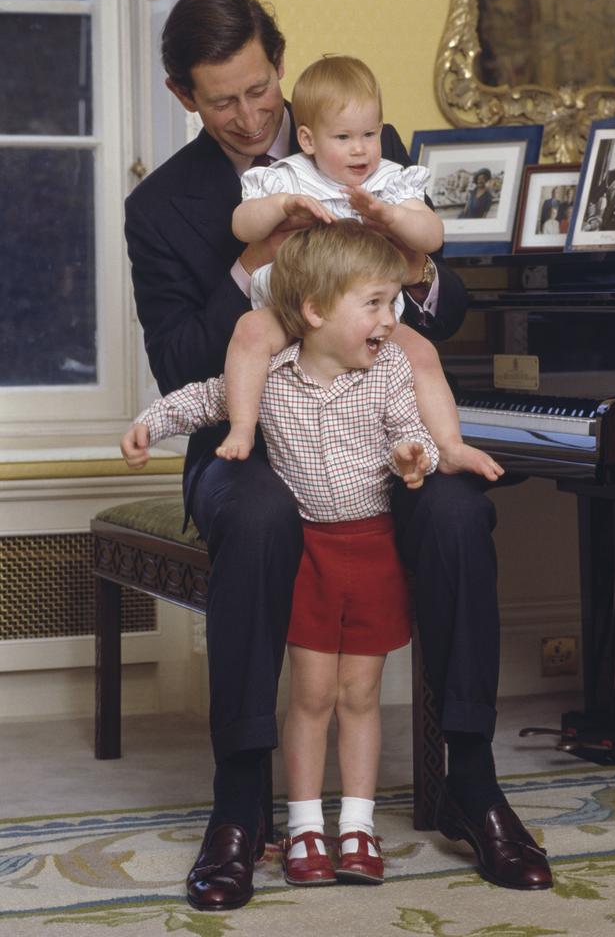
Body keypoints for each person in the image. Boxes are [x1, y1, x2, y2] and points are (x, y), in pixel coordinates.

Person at [124, 0, 552, 911]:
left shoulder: (363, 148)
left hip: (376, 425)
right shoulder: (163, 208)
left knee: (453, 510)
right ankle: (242, 803)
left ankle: (472, 784)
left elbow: (450, 304)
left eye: (260, 89)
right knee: (264, 518)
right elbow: (178, 371)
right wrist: (255, 259)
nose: (248, 116)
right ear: (182, 96)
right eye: (221, 99)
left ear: (279, 68)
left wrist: (414, 257)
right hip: (255, 446)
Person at [122, 220, 439, 888]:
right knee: (313, 694)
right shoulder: (268, 375)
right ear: (318, 310)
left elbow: (412, 429)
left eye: (393, 302)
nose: (392, 319)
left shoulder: (387, 373)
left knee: (361, 693)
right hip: (311, 555)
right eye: (376, 303)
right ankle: (303, 828)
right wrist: (149, 422)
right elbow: (203, 398)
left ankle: (356, 824)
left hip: (371, 547)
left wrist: (417, 455)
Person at [220, 55, 482, 474]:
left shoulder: (387, 180)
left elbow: (432, 236)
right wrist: (281, 207)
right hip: (294, 313)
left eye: (370, 133)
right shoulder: (287, 178)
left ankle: (449, 445)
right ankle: (242, 429)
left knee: (423, 355)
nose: (360, 148)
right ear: (308, 140)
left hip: (367, 317)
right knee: (249, 333)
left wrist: (392, 217)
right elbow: (241, 225)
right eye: (343, 137)